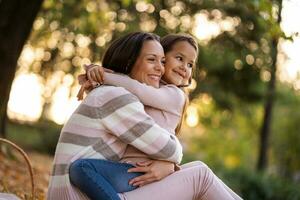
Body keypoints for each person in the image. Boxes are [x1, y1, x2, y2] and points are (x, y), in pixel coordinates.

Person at [71, 33, 243, 200]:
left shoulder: (175, 95)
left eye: (190, 64)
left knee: (201, 171)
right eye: (179, 58)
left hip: (138, 171)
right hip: (131, 170)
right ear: (163, 56)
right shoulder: (146, 85)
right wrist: (96, 71)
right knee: (200, 168)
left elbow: (137, 88)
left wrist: (104, 76)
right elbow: (126, 83)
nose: (185, 67)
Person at [47, 32, 184, 200]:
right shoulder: (117, 98)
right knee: (199, 174)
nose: (160, 68)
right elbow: (170, 151)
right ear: (129, 62)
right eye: (151, 59)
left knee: (197, 171)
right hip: (76, 195)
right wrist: (170, 164)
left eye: (162, 61)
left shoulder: (108, 93)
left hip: (76, 192)